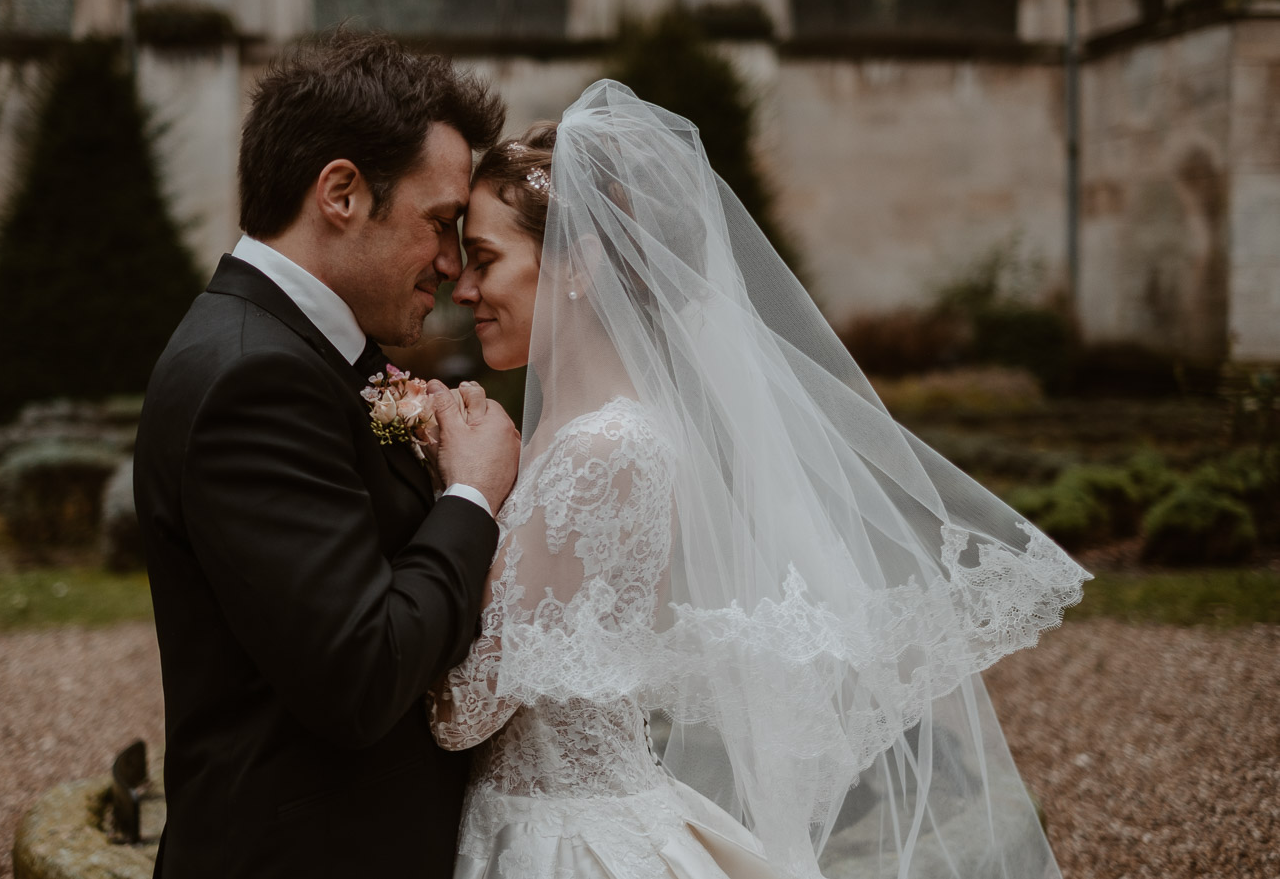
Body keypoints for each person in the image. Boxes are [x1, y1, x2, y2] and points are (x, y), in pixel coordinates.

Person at [433, 80, 1092, 879]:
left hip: (564, 842)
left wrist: (445, 512)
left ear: (581, 263)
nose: (461, 289)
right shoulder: (559, 437)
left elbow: (465, 711)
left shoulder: (605, 452)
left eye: (487, 260)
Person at [132, 32, 522, 878]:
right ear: (341, 192)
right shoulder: (254, 377)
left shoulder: (296, 353)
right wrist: (470, 498)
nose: (453, 264)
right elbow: (361, 670)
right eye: (441, 223)